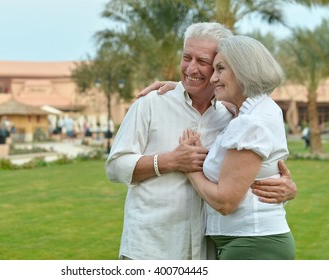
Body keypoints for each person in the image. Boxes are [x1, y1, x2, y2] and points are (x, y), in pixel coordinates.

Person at [105, 22, 297, 260]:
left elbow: (253, 162)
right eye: (187, 57)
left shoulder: (231, 117)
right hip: (151, 249)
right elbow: (115, 167)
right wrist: (170, 161)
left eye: (204, 62)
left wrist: (286, 187)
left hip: (205, 252)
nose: (191, 68)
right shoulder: (151, 104)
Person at [179, 35, 295, 259]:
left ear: (244, 70)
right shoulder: (257, 109)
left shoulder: (251, 122)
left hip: (252, 244)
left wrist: (189, 166)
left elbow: (225, 201)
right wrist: (177, 88)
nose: (213, 78)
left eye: (220, 69)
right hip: (248, 242)